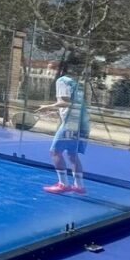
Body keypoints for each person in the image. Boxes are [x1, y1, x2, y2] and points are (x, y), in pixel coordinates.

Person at [36, 57, 91, 195]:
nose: (48, 71)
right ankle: (79, 186)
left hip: (71, 123)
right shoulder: (74, 82)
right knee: (72, 154)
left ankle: (63, 184)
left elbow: (65, 102)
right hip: (82, 123)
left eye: (49, 69)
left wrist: (47, 107)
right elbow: (74, 104)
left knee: (55, 151)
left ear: (58, 70)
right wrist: (56, 112)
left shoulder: (61, 81)